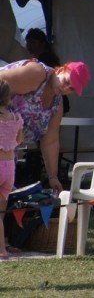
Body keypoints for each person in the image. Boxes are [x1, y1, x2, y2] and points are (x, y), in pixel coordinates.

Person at [0, 59, 89, 193]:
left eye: (71, 88)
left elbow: (50, 141)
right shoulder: (38, 73)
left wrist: (53, 177)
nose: (65, 88)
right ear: (60, 70)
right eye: (66, 81)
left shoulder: (57, 105)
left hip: (7, 152)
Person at [0, 79, 23, 259]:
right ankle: (2, 250)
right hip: (9, 169)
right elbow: (19, 140)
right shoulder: (16, 119)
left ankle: (2, 250)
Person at [25, 28, 70, 115]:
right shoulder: (44, 58)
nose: (29, 46)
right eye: (28, 42)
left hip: (54, 104)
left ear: (42, 44)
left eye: (33, 42)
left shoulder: (45, 60)